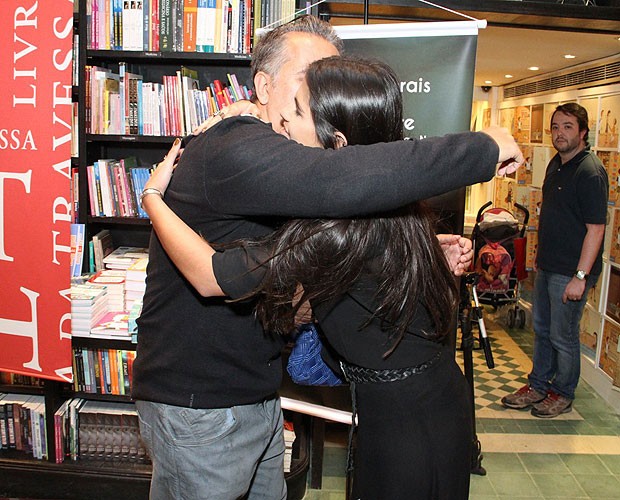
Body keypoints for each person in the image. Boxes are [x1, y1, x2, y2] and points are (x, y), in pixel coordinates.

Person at [132, 15, 523, 500]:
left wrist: (152, 198)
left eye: (312, 97)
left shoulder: (335, 219)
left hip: (397, 418)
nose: (285, 121)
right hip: (412, 404)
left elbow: (221, 276)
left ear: (338, 142)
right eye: (304, 86)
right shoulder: (263, 158)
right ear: (263, 85)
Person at [502, 103, 608, 418]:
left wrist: (580, 276)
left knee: (564, 336)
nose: (559, 133)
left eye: (567, 127)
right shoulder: (555, 164)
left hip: (570, 272)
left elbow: (597, 229)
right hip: (549, 266)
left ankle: (562, 393)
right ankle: (538, 385)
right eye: (555, 126)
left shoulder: (590, 171)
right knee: (543, 330)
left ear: (583, 132)